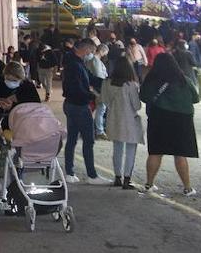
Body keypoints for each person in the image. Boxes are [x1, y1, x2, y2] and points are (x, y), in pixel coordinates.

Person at [141, 52, 201, 196]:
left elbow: (144, 97)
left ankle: (149, 184)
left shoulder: (152, 80)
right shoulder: (183, 80)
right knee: (180, 154)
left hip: (159, 119)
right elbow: (196, 98)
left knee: (155, 152)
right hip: (182, 121)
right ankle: (187, 188)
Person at [61, 39, 106, 184]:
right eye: (91, 51)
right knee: (88, 140)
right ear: (85, 49)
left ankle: (69, 172)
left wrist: (106, 82)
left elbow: (91, 79)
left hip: (72, 104)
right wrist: (92, 96)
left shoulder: (76, 62)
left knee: (72, 139)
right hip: (79, 106)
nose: (91, 54)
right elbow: (77, 88)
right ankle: (92, 175)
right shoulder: (74, 64)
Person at [99, 55, 142, 189]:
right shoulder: (131, 85)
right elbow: (137, 106)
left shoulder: (107, 83)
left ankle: (117, 177)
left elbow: (104, 100)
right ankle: (127, 179)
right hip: (130, 120)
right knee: (130, 149)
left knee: (117, 148)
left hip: (114, 118)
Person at [0, 60, 40, 129]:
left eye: (15, 80)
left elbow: (37, 106)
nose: (11, 82)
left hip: (22, 123)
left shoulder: (28, 86)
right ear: (4, 76)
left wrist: (15, 104)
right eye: (8, 79)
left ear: (22, 79)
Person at [88, 42, 110, 138]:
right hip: (99, 88)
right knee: (101, 109)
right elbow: (99, 75)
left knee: (99, 109)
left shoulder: (93, 60)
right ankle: (99, 130)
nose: (105, 55)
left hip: (96, 87)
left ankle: (98, 129)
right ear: (102, 51)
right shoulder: (95, 61)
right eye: (105, 52)